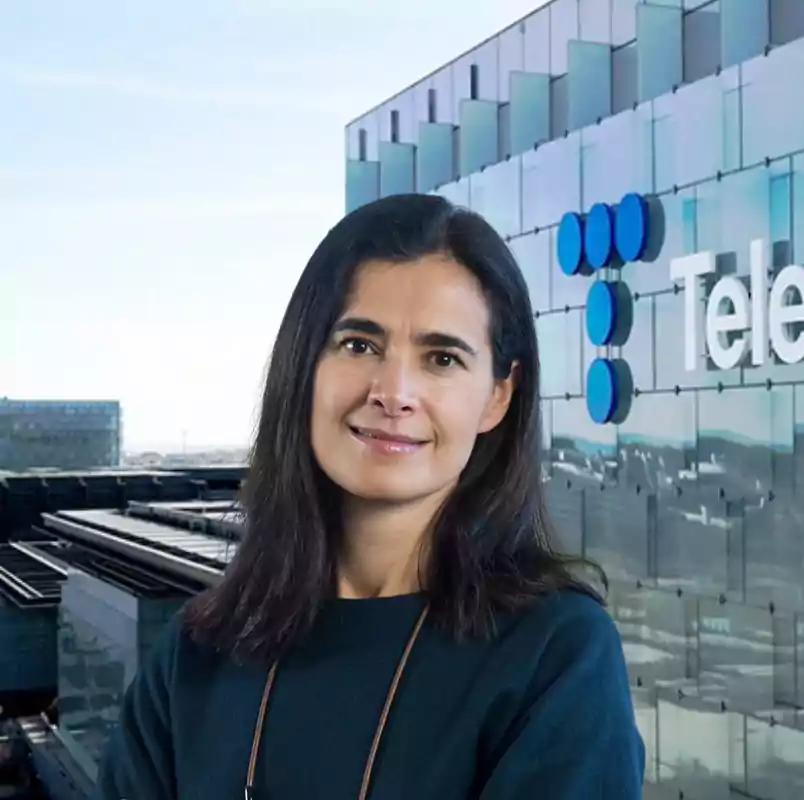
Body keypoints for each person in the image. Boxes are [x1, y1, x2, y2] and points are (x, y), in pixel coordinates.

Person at [94, 194, 645, 799]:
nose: (394, 392)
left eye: (441, 358)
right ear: (303, 366)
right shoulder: (197, 655)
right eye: (359, 345)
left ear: (497, 396)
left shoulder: (556, 656)